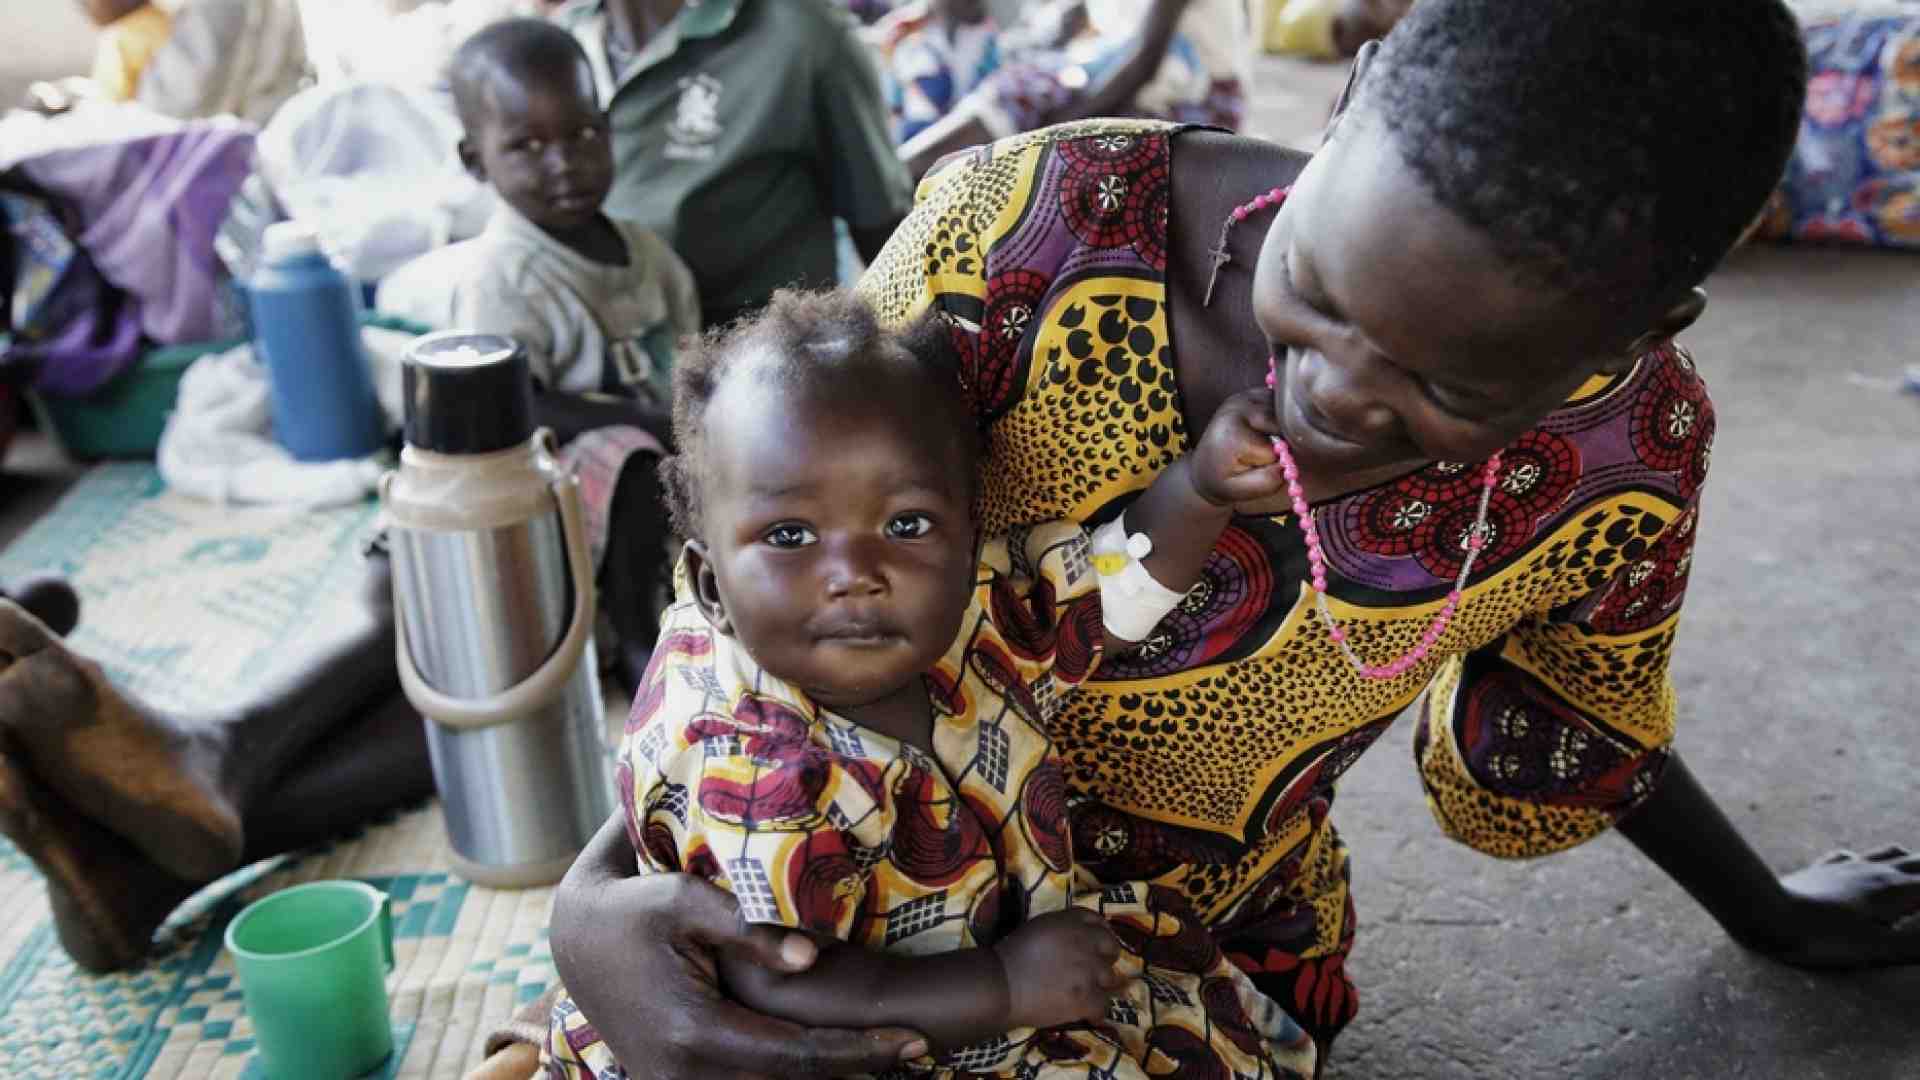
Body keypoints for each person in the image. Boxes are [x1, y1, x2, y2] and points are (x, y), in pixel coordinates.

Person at [0, 0, 1913, 1070]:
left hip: (1165, 948)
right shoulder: (1022, 232)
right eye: (1315, 296)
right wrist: (595, 903)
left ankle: (232, 774)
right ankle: (225, 777)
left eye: (1445, 397)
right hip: (805, 879)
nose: (1329, 400)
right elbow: (765, 591)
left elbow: (1574, 735)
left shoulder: (1623, 452)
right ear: (1351, 90)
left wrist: (1762, 915)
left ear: (1635, 337)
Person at [542, 288, 1317, 1078]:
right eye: (789, 535)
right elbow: (777, 980)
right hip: (848, 1039)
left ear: (966, 536)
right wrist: (1002, 985)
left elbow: (1108, 590)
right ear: (711, 587)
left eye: (906, 525)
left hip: (1009, 958)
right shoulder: (751, 768)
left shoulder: (971, 616)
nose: (856, 574)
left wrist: (1201, 488)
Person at [376, 17, 702, 686]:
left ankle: (692, 600)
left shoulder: (650, 256)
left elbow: (689, 366)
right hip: (547, 483)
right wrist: (641, 422)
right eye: (526, 145)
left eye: (582, 135)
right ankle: (637, 637)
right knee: (632, 460)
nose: (564, 164)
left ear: (608, 130)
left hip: (655, 456)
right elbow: (516, 403)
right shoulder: (505, 276)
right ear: (476, 161)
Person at [556, 0, 914, 328]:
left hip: (761, 360)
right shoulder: (564, 36)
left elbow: (883, 229)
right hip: (605, 356)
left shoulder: (799, 32)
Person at [896, 0, 1254, 179]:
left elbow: (1143, 63)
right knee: (1021, 83)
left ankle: (905, 173)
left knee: (1023, 96)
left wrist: (1069, 126)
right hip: (1150, 78)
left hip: (1200, 101)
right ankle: (909, 171)